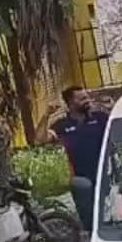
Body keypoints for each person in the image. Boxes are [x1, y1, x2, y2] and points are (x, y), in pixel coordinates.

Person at [36, 87, 111, 231]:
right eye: (82, 98)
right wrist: (46, 115)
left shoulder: (100, 118)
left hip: (106, 175)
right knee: (90, 223)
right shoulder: (62, 125)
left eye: (87, 97)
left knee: (111, 216)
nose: (87, 101)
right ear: (70, 103)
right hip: (81, 180)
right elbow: (40, 140)